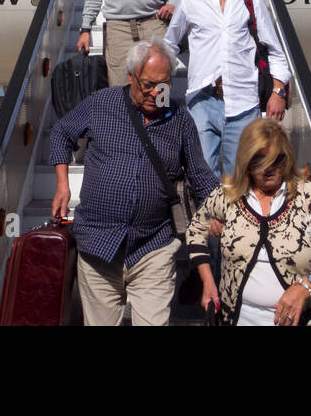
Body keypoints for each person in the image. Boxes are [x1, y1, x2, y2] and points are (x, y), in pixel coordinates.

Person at [49, 40, 217, 326]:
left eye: (163, 85)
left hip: (153, 247)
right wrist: (62, 185)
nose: (156, 93)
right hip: (98, 246)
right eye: (148, 84)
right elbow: (61, 132)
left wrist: (219, 212)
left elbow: (201, 175)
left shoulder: (180, 120)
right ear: (130, 77)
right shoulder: (102, 103)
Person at [188, 118, 311, 326]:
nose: (268, 168)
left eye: (276, 160)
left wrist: (305, 287)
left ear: (287, 158)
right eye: (258, 160)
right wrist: (207, 280)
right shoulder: (229, 197)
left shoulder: (306, 197)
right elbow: (195, 228)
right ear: (246, 160)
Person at [163, 0, 289, 177]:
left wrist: (278, 91)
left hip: (243, 102)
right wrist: (161, 80)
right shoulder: (189, 1)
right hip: (202, 100)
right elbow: (170, 44)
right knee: (203, 175)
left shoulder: (251, 0)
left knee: (239, 176)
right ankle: (208, 216)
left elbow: (275, 50)